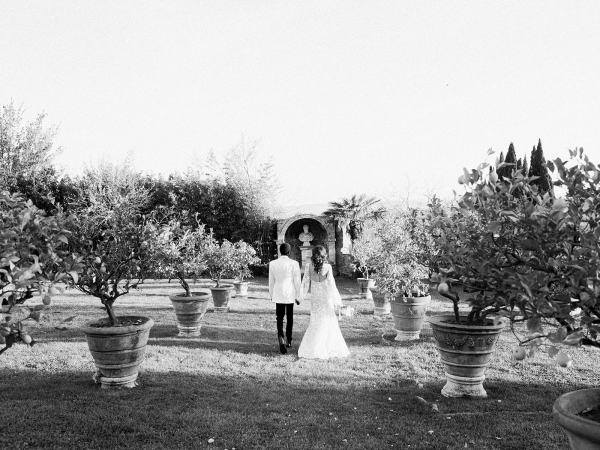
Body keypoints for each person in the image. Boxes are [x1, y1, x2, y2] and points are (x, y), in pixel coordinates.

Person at [298, 245, 350, 359]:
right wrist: (338, 301)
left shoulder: (308, 266)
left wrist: (300, 297)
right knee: (328, 321)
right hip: (326, 298)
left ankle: (314, 346)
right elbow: (332, 285)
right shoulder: (328, 267)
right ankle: (327, 347)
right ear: (324, 255)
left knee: (316, 321)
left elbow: (305, 283)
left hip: (315, 298)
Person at [268, 243, 301, 354]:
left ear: (280, 251)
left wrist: (271, 294)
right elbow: (297, 281)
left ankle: (281, 339)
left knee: (279, 318)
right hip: (290, 293)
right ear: (289, 252)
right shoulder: (294, 263)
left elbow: (271, 281)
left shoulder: (273, 263)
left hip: (278, 292)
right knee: (290, 317)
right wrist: (298, 295)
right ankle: (289, 340)